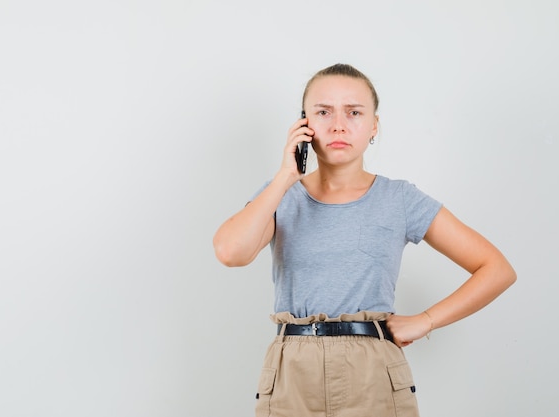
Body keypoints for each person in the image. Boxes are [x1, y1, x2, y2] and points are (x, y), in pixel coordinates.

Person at [213, 63, 516, 417]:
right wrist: (285, 177)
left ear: (373, 126)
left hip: (372, 370)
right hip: (292, 371)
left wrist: (428, 319)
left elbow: (496, 269)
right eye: (323, 111)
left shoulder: (399, 198)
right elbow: (230, 251)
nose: (339, 124)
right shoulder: (281, 196)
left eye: (354, 112)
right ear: (303, 123)